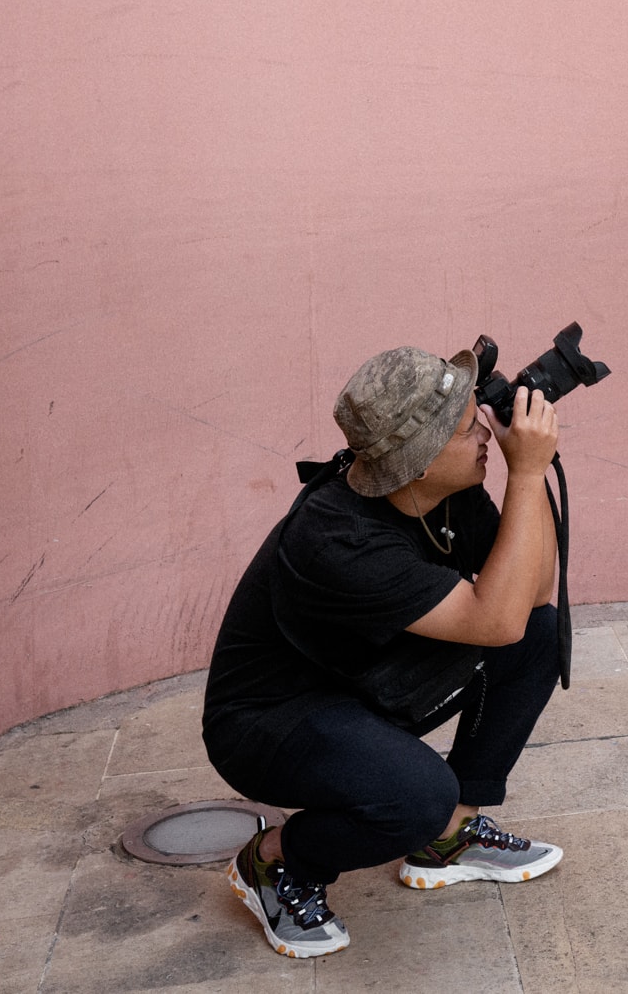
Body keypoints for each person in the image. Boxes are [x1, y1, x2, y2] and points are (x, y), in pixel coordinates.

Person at [203, 345, 569, 959]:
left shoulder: (445, 490)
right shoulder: (338, 539)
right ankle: (277, 861)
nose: (486, 430)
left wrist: (524, 479)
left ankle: (448, 835)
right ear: (416, 463)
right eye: (467, 428)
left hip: (359, 679)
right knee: (417, 797)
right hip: (269, 720)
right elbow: (497, 619)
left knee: (539, 635)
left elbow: (530, 595)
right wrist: (528, 474)